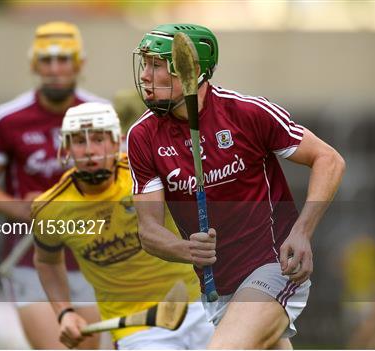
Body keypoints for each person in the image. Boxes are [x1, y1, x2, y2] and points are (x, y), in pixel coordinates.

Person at [127, 24, 346, 349]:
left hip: (273, 267)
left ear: (192, 70)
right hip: (218, 290)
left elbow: (329, 160)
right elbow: (148, 230)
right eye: (144, 63)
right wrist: (184, 249)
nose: (145, 75)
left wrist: (302, 232)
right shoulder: (142, 137)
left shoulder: (247, 113)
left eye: (156, 64)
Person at [0, 21, 106, 349]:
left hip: (93, 257)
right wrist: (21, 208)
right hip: (31, 259)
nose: (55, 69)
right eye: (46, 60)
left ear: (80, 64)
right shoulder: (7, 119)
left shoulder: (100, 114)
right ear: (34, 65)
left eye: (64, 59)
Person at [32, 102, 213, 349]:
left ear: (117, 141)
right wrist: (64, 312)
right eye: (79, 141)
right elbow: (46, 262)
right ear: (65, 148)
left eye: (98, 139)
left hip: (199, 303)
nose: (89, 151)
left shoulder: (149, 172)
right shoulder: (49, 209)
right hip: (135, 326)